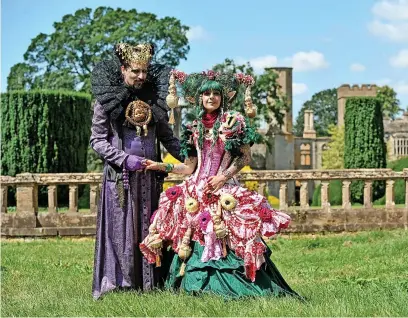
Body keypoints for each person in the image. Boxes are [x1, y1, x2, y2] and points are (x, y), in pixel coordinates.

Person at [140, 70, 300, 298]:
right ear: (200, 98)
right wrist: (160, 166)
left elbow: (245, 158)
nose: (211, 97)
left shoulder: (234, 123)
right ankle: (193, 286)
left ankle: (239, 286)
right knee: (187, 231)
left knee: (229, 233)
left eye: (216, 93)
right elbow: (188, 168)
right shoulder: (193, 127)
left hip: (223, 188)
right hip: (196, 188)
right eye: (207, 93)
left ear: (222, 98)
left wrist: (222, 177)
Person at [90, 42, 183, 300]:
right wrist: (123, 159)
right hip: (120, 179)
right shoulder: (106, 99)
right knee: (121, 230)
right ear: (123, 69)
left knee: (151, 229)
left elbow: (168, 138)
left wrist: (195, 158)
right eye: (135, 71)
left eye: (144, 71)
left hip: (150, 178)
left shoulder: (155, 98)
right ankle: (120, 284)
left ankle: (149, 283)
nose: (141, 76)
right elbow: (97, 139)